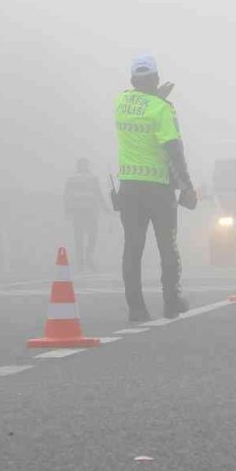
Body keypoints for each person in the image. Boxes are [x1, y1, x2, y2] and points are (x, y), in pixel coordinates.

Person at [113, 55, 197, 323]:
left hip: (129, 188)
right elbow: (174, 150)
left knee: (132, 247)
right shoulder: (162, 109)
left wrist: (154, 96)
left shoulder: (120, 103)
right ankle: (171, 302)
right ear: (157, 79)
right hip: (158, 189)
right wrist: (187, 185)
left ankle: (136, 308)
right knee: (167, 246)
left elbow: (139, 104)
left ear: (132, 80)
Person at [63, 158, 106, 271]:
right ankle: (82, 261)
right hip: (81, 211)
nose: (84, 166)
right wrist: (67, 210)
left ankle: (86, 259)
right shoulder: (75, 178)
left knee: (88, 237)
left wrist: (105, 208)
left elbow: (98, 194)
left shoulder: (90, 178)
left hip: (87, 211)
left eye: (85, 164)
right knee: (82, 237)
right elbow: (67, 195)